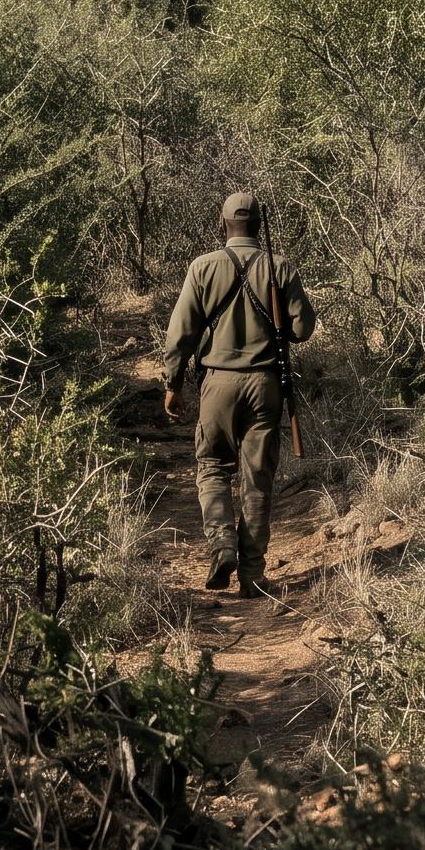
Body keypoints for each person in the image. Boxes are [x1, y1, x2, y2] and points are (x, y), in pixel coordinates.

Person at [162, 192, 318, 596]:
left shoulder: (202, 267)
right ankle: (251, 575)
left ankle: (222, 547)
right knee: (257, 479)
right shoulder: (279, 267)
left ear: (223, 224)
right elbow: (302, 330)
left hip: (217, 384)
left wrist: (173, 384)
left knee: (212, 466)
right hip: (267, 385)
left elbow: (180, 335)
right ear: (259, 224)